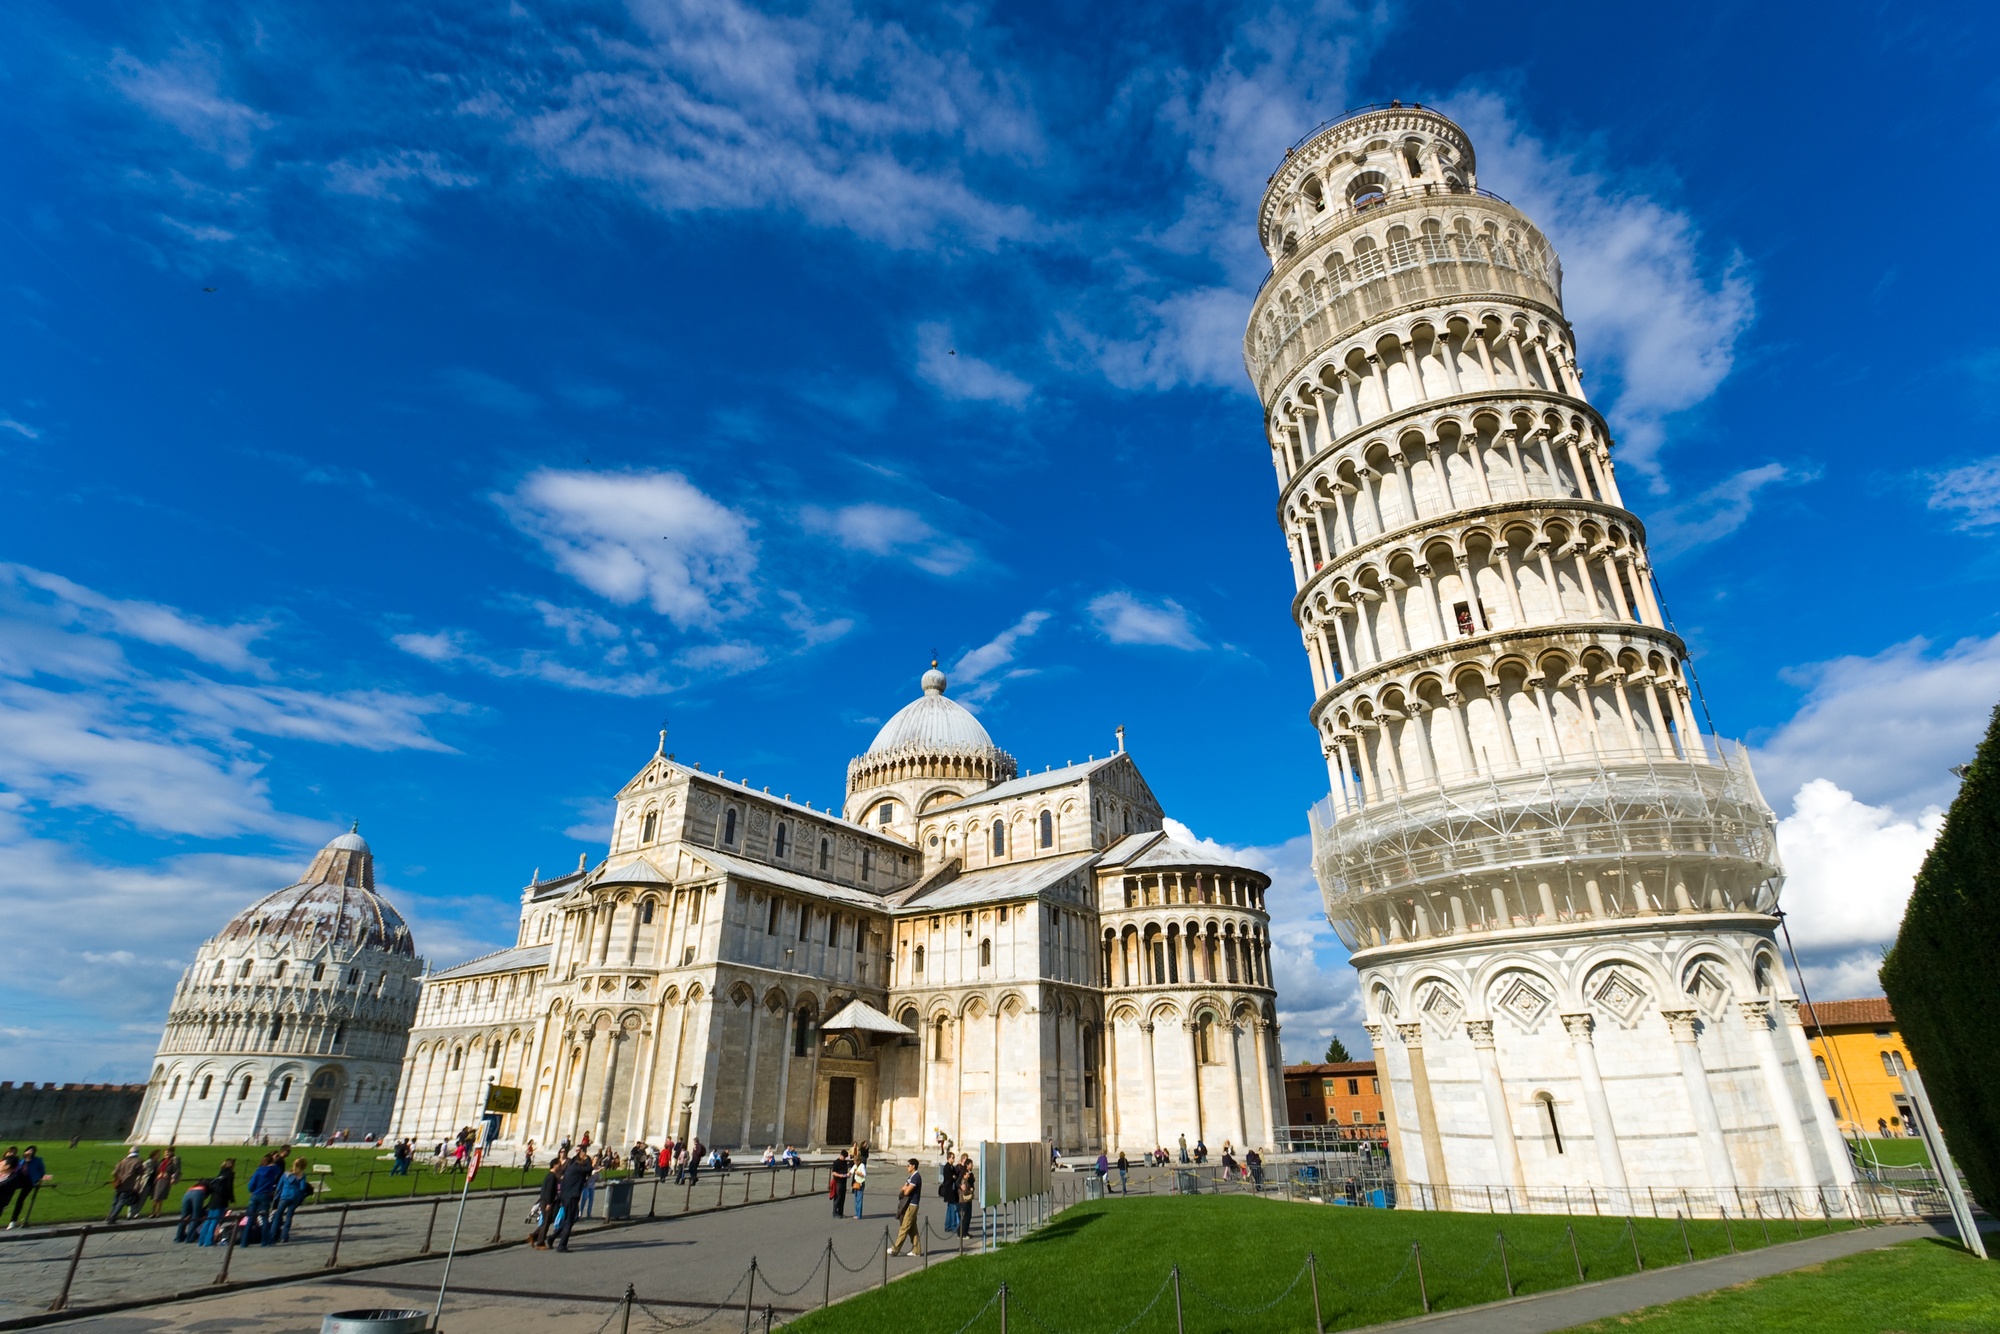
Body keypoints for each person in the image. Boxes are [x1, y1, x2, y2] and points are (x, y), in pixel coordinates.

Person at [553, 1153, 590, 1252]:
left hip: (567, 1197)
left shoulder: (571, 1169)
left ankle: (552, 1237)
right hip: (572, 1197)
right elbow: (589, 1168)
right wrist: (587, 1159)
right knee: (569, 1221)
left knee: (568, 1219)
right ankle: (561, 1245)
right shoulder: (577, 1168)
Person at [887, 1159, 924, 1257]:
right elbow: (903, 1188)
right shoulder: (910, 1177)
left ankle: (895, 1249)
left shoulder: (916, 1177)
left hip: (912, 1205)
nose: (907, 1167)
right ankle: (917, 1250)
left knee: (904, 1227)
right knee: (912, 1229)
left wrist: (905, 1188)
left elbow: (907, 1191)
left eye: (908, 1165)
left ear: (913, 1166)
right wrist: (904, 1188)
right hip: (908, 1204)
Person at [3, 1146, 45, 1228]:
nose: (30, 1152)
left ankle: (13, 1220)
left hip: (29, 1182)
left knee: (20, 1200)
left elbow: (42, 1171)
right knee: (10, 1191)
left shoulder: (37, 1160)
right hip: (19, 1179)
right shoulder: (21, 1161)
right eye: (28, 1150)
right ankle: (5, 1204)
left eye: (32, 1150)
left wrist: (38, 1178)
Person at [246, 1153, 283, 1244]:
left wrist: (253, 1190)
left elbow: (251, 1186)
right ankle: (265, 1241)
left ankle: (244, 1241)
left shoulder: (258, 1171)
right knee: (265, 1219)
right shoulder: (272, 1170)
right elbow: (279, 1170)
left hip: (255, 1195)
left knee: (250, 1218)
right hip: (266, 1195)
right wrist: (274, 1163)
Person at [108, 1148, 147, 1224]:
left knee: (115, 1201)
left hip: (118, 1184)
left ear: (129, 1152)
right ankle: (112, 1218)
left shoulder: (122, 1160)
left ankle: (109, 1216)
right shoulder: (138, 1161)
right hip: (128, 1185)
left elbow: (114, 1173)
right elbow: (141, 1173)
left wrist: (118, 1178)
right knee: (121, 1201)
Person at [528, 1162, 563, 1249]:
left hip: (545, 1201)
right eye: (558, 1164)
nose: (560, 1165)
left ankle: (534, 1236)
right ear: (554, 1165)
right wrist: (549, 1203)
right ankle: (540, 1242)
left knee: (547, 1221)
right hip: (547, 1202)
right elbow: (549, 1191)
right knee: (547, 1222)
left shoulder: (550, 1175)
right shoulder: (552, 1177)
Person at [275, 1160, 312, 1242]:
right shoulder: (302, 1175)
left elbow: (279, 1187)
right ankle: (284, 1237)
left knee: (278, 1216)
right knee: (289, 1217)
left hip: (284, 1196)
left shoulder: (286, 1174)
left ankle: (272, 1235)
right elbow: (302, 1188)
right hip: (294, 1197)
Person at [150, 1148, 181, 1218]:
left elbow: (177, 1170)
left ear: (172, 1153)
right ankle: (153, 1212)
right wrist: (159, 1173)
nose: (166, 1154)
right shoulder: (162, 1160)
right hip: (159, 1179)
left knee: (160, 1196)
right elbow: (158, 1169)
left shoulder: (174, 1160)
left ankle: (157, 1212)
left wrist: (173, 1178)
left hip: (166, 1179)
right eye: (165, 1153)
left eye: (168, 1153)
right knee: (155, 1197)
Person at [938, 1153, 962, 1234]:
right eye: (952, 1158)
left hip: (952, 1191)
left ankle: (948, 1225)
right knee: (952, 1209)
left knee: (950, 1209)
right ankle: (952, 1225)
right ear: (949, 1158)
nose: (953, 1159)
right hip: (949, 1191)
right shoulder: (947, 1167)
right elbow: (949, 1178)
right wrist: (953, 1177)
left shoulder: (952, 1167)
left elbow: (955, 1175)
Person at [956, 1156, 976, 1240]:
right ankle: (961, 1233)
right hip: (964, 1198)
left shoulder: (970, 1173)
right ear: (967, 1165)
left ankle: (965, 1231)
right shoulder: (963, 1172)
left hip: (969, 1197)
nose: (972, 1165)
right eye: (971, 1164)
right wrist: (961, 1186)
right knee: (965, 1216)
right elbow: (958, 1182)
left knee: (969, 1215)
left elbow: (971, 1182)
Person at [829, 1149, 851, 1217]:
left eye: (845, 1158)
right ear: (841, 1155)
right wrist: (839, 1175)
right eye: (844, 1157)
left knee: (842, 1198)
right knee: (838, 1197)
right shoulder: (836, 1162)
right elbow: (833, 1172)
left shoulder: (845, 1162)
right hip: (838, 1181)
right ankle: (835, 1212)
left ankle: (841, 1212)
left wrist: (848, 1174)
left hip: (844, 1181)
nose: (844, 1158)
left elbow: (846, 1171)